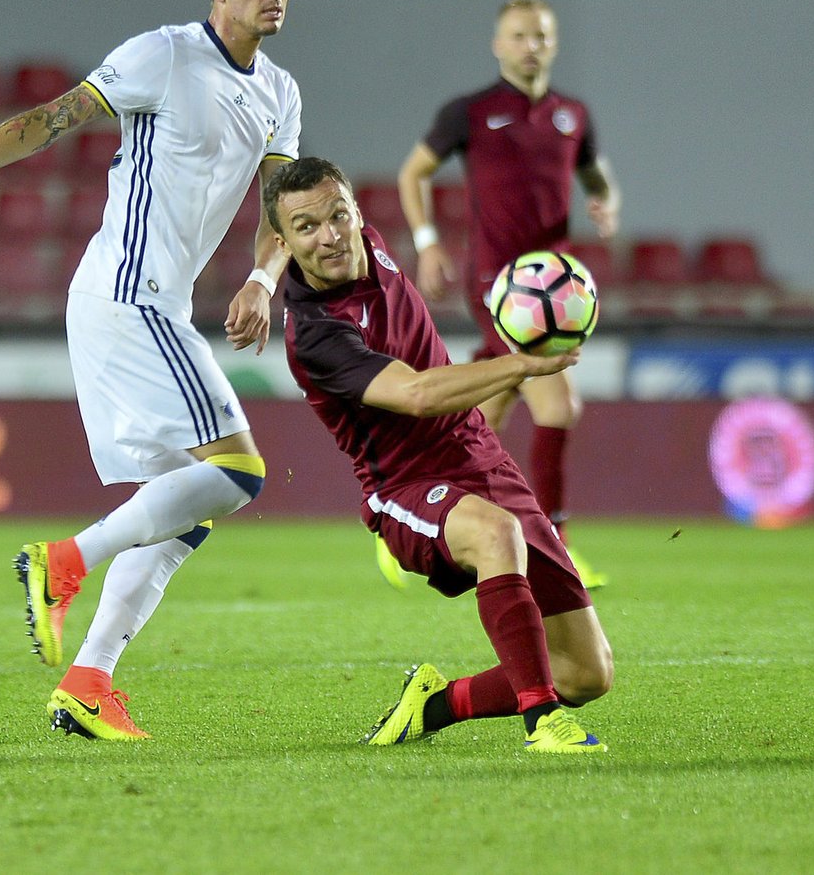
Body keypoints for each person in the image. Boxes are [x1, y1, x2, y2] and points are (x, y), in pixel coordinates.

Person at [0, 0, 301, 741]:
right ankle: (63, 560)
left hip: (157, 305)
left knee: (191, 506)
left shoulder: (280, 92)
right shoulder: (164, 54)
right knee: (241, 470)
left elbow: (277, 208)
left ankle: (87, 681)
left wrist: (263, 275)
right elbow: (49, 119)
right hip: (125, 293)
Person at [263, 156, 613, 753]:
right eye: (306, 228)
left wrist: (258, 278)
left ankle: (436, 705)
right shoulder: (317, 333)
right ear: (285, 242)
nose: (329, 236)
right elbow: (419, 396)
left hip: (482, 457)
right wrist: (522, 364)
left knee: (587, 672)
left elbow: (299, 227)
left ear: (356, 213)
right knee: (496, 532)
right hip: (404, 485)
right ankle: (543, 721)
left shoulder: (370, 245)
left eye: (338, 216)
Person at [397, 0, 620, 589]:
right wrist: (426, 242)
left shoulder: (573, 114)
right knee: (559, 405)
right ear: (498, 44)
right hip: (501, 284)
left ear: (554, 43)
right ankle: (557, 545)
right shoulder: (470, 112)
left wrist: (606, 200)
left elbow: (595, 173)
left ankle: (416, 512)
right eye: (519, 35)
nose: (531, 46)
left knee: (484, 414)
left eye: (541, 36)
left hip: (555, 283)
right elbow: (413, 172)